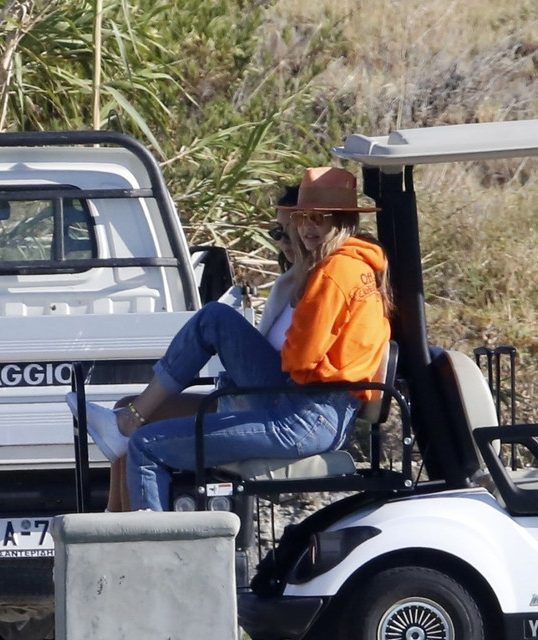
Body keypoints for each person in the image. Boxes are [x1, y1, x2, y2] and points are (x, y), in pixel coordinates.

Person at [67, 166, 391, 512]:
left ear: (343, 222)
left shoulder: (334, 272)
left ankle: (148, 544)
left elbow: (302, 357)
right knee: (216, 318)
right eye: (302, 218)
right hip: (309, 406)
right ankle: (121, 509)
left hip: (304, 413)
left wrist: (283, 345)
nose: (307, 227)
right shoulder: (354, 268)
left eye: (320, 218)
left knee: (145, 445)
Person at [103, 183, 301, 512]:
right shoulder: (289, 284)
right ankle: (111, 524)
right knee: (124, 411)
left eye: (289, 232)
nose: (283, 242)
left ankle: (128, 528)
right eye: (277, 233)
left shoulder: (322, 288)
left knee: (215, 318)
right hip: (247, 396)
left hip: (275, 405)